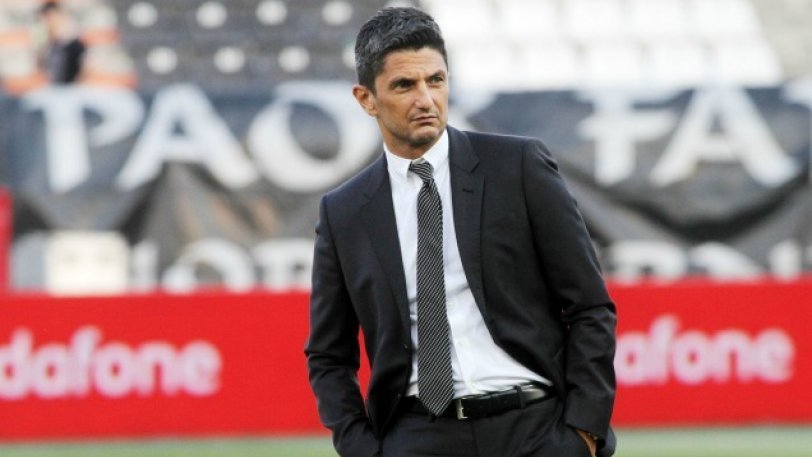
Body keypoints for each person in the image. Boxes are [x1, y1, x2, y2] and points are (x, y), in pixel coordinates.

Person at [305, 7, 616, 457]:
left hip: (534, 429)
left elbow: (590, 306)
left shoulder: (518, 168)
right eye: (404, 85)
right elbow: (328, 354)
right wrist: (362, 448)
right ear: (366, 99)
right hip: (417, 435)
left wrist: (583, 433)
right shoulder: (344, 212)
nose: (426, 99)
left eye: (435, 80)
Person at [39, 1, 86, 84]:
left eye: (53, 16)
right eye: (48, 17)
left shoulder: (75, 44)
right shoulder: (44, 44)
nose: (52, 21)